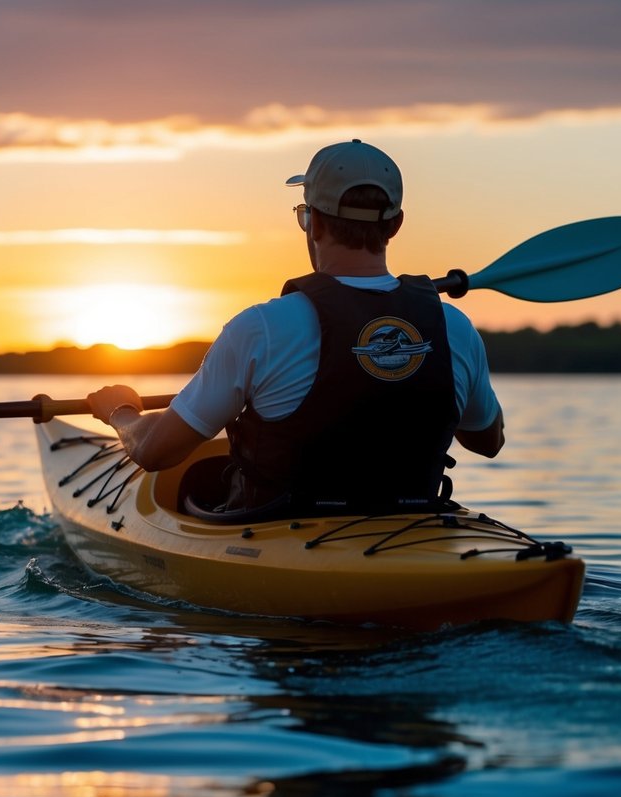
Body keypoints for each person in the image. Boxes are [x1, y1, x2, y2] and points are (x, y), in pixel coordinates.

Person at [86, 139, 504, 517]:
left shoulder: (262, 328)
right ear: (394, 225)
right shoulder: (454, 328)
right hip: (414, 526)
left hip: (278, 532)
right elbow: (488, 441)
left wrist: (121, 412)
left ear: (313, 223)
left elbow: (156, 451)